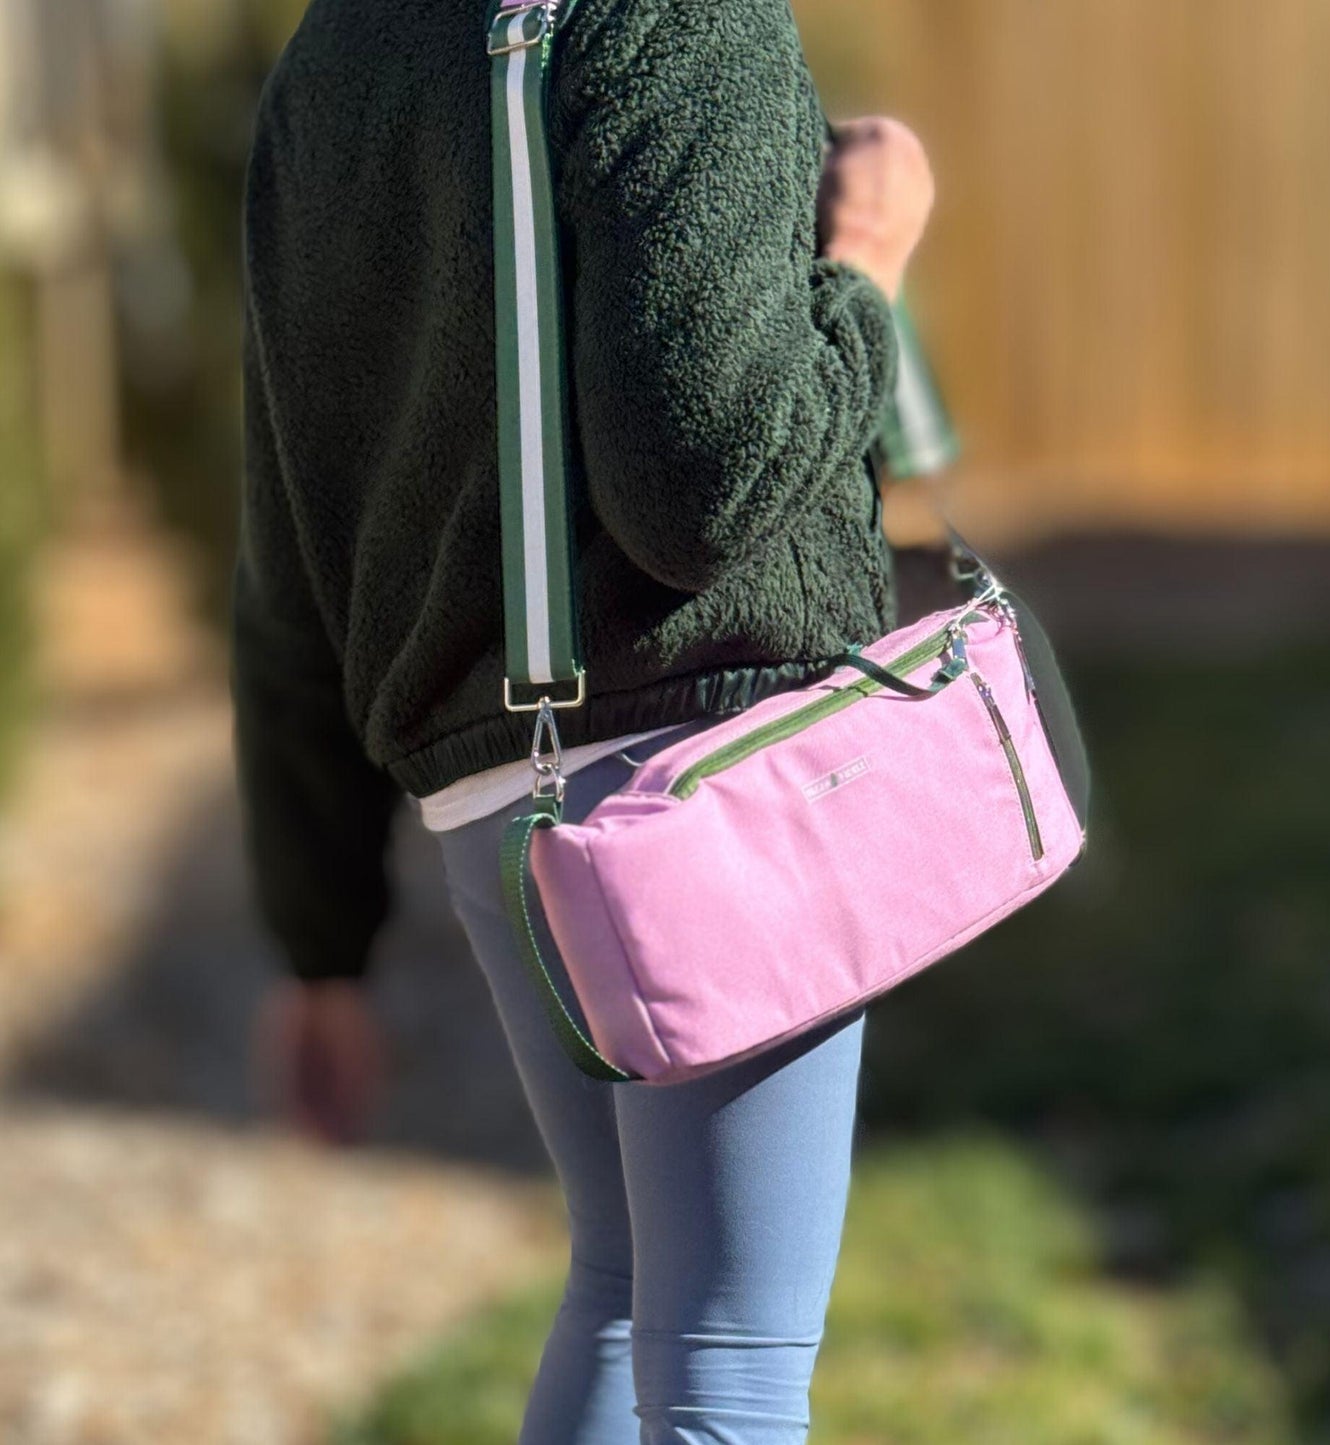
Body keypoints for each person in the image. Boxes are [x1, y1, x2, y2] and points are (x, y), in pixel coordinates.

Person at [234, 0, 934, 1437]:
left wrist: (320, 944)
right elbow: (702, 484)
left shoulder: (336, 56)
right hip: (702, 784)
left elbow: (289, 556)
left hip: (494, 795)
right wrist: (865, 266)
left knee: (623, 1290)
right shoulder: (676, 18)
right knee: (728, 1356)